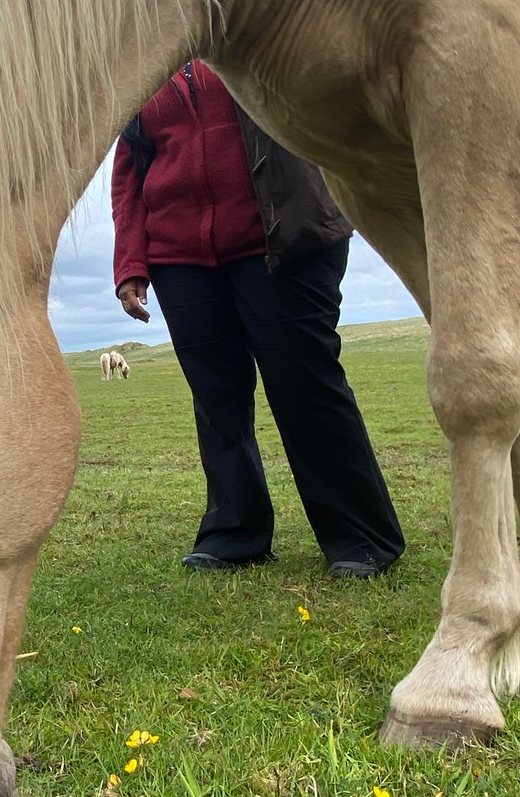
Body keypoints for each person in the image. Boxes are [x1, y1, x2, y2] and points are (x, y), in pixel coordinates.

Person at [111, 60, 405, 578]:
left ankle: (361, 538)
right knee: (216, 395)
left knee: (304, 383)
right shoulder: (144, 63)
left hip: (279, 239)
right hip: (180, 256)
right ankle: (234, 534)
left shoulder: (251, 27)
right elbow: (130, 171)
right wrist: (131, 264)